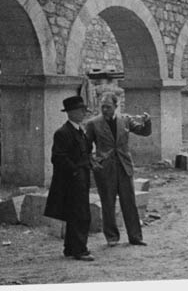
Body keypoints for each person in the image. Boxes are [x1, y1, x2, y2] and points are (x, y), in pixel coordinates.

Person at [86, 92, 151, 247]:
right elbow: (85, 147)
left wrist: (147, 122)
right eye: (102, 107)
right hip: (104, 168)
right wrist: (93, 162)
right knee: (107, 203)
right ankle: (112, 237)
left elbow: (144, 132)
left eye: (108, 107)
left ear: (116, 106)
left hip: (124, 166)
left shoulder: (126, 120)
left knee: (129, 202)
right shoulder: (93, 124)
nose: (105, 110)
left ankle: (135, 237)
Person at [44, 96, 95, 261]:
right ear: (71, 113)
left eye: (84, 111)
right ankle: (80, 250)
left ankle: (70, 248)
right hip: (72, 181)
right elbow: (58, 157)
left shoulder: (80, 131)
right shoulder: (63, 133)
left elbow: (86, 151)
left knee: (78, 213)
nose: (83, 114)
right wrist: (75, 172)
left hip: (82, 177)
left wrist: (90, 164)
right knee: (80, 214)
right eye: (81, 111)